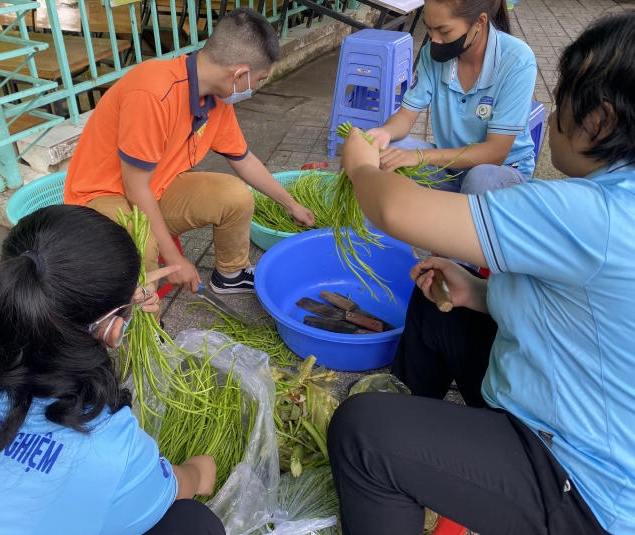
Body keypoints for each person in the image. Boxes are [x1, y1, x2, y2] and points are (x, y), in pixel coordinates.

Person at [328, 11, 635, 535]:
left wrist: (359, 164)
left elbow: (395, 212)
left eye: (561, 96)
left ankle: (394, 463)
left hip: (579, 483)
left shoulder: (590, 214)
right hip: (546, 399)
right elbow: (579, 312)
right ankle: (417, 433)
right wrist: (480, 292)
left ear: (600, 120)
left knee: (362, 433)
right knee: (435, 295)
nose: (554, 108)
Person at [0, 205, 225, 534]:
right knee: (193, 522)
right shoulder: (106, 445)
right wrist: (199, 471)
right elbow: (176, 487)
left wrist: (116, 310)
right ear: (111, 331)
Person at [64, 7, 314, 301]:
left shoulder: (217, 99)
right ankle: (143, 325)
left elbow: (243, 159)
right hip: (101, 196)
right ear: (240, 74)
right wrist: (175, 260)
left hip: (156, 187)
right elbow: (135, 188)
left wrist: (291, 204)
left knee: (235, 195)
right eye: (258, 80)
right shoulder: (154, 93)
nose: (255, 88)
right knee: (142, 243)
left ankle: (231, 275)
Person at [366, 0, 537, 194]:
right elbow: (406, 116)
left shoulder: (517, 61)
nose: (435, 40)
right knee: (387, 151)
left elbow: (496, 152)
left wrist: (421, 156)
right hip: (450, 167)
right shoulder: (431, 56)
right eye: (429, 29)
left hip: (500, 171)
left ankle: (458, 218)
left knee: (480, 179)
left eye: (444, 31)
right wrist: (385, 132)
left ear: (479, 22)